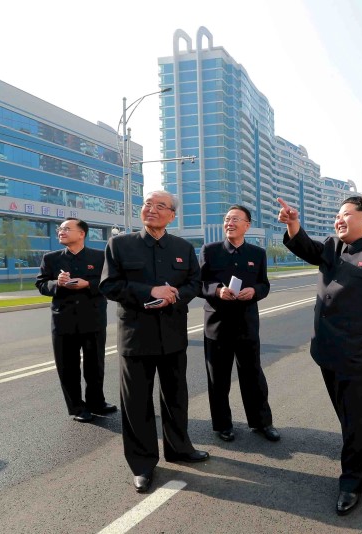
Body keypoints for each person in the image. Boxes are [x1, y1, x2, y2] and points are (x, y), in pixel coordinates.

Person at [277, 195, 362, 516]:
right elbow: (305, 249)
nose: (340, 219)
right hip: (327, 351)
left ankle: (353, 481)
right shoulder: (331, 248)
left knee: (353, 422)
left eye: (346, 214)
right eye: (338, 215)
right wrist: (294, 223)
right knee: (350, 415)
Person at [100, 190, 208, 494]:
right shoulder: (120, 244)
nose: (152, 209)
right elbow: (109, 285)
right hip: (136, 337)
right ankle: (143, 465)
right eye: (148, 204)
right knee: (136, 403)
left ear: (172, 215)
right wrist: (151, 292)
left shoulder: (183, 247)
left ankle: (180, 448)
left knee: (176, 397)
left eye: (161, 206)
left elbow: (194, 283)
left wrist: (175, 295)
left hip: (173, 334)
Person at [199, 205, 279, 443]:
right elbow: (199, 284)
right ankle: (223, 425)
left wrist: (254, 291)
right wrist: (217, 290)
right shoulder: (210, 251)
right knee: (219, 378)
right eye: (226, 219)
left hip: (246, 324)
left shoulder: (257, 253)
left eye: (235, 219)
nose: (229, 223)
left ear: (247, 225)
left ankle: (262, 423)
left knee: (253, 375)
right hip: (217, 325)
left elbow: (264, 285)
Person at [36, 218, 116, 423]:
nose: (61, 232)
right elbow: (42, 284)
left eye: (66, 229)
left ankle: (97, 402)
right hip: (63, 321)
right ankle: (76, 407)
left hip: (93, 319)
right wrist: (57, 283)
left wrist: (87, 284)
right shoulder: (51, 258)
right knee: (67, 366)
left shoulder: (100, 257)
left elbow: (109, 283)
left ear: (82, 234)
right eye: (60, 229)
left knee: (95, 365)